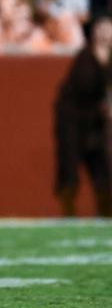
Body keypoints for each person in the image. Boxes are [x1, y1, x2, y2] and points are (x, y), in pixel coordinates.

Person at [53, 13, 112, 217]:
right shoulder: (85, 57)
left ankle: (105, 215)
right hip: (73, 121)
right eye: (102, 28)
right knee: (69, 170)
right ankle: (69, 215)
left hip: (95, 124)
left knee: (102, 171)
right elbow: (83, 87)